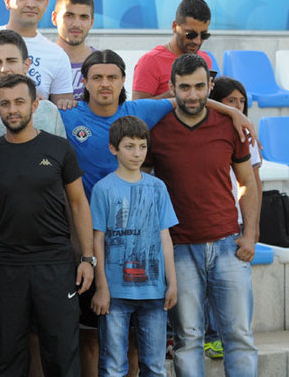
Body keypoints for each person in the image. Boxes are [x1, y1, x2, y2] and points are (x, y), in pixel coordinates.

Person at [60, 49, 254, 375]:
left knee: (143, 339)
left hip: (147, 245)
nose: (105, 83)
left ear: (124, 80)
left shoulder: (140, 111)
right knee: (97, 335)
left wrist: (233, 112)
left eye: (112, 77)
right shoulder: (68, 116)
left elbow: (188, 99)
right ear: (85, 82)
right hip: (93, 239)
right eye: (97, 77)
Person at [0, 73, 94, 377]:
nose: (12, 110)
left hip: (55, 264)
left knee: (62, 356)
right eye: (5, 104)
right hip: (7, 266)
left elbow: (78, 203)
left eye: (19, 102)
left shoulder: (59, 148)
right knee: (9, 358)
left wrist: (87, 258)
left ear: (35, 105)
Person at [147, 54, 259, 376]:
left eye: (199, 86)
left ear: (210, 86)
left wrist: (250, 235)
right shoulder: (157, 129)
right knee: (187, 339)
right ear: (172, 88)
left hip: (228, 245)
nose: (193, 95)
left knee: (239, 336)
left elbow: (248, 182)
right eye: (184, 87)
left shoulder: (229, 125)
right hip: (179, 248)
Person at [0, 29, 66, 377]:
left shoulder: (48, 112)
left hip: (42, 236)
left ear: (27, 64)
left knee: (37, 331)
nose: (5, 67)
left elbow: (61, 178)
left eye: (11, 60)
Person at [90, 115, 178, 377]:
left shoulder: (157, 188)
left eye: (142, 146)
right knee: (113, 366)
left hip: (153, 291)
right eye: (129, 146)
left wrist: (172, 282)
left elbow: (165, 237)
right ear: (113, 148)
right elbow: (97, 240)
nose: (137, 153)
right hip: (115, 292)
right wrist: (101, 287)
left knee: (154, 366)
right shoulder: (103, 189)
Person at [205, 76, 263, 359]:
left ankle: (234, 336)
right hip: (206, 219)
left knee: (236, 286)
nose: (238, 107)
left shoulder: (246, 135)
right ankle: (212, 337)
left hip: (235, 220)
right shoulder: (208, 130)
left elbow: (254, 183)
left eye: (242, 102)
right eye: (231, 101)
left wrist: (254, 228)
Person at [0, 0, 73, 103]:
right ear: (7, 1)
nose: (31, 4)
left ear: (46, 4)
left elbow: (62, 111)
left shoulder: (57, 56)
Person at [132, 0, 215, 99]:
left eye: (204, 35)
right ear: (175, 26)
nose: (197, 41)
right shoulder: (151, 61)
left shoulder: (205, 59)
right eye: (190, 34)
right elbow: (138, 106)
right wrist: (178, 90)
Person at [52, 0, 96, 101]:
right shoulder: (42, 60)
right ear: (54, 18)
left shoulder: (103, 63)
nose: (76, 24)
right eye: (69, 15)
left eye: (83, 17)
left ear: (91, 22)